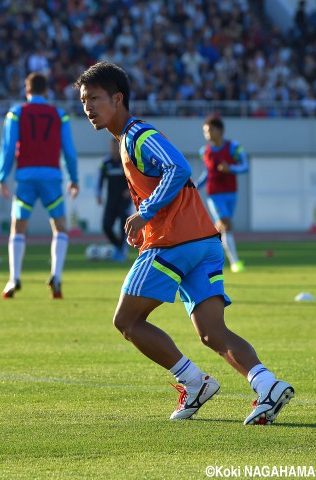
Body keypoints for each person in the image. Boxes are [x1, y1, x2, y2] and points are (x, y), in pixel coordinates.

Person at [74, 61, 293, 424]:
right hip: (204, 242)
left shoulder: (137, 135)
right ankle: (267, 385)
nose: (88, 108)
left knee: (127, 320)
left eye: (94, 98)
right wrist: (146, 222)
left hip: (175, 243)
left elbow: (178, 168)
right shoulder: (128, 139)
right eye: (83, 101)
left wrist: (147, 214)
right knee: (212, 333)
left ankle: (193, 382)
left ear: (117, 98)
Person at [0, 72, 79, 299]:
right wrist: (74, 178)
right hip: (52, 176)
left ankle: (14, 279)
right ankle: (57, 277)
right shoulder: (59, 115)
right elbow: (69, 151)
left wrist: (2, 176)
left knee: (18, 227)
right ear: (46, 91)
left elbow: (8, 146)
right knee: (60, 227)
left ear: (27, 90)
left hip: (25, 176)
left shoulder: (16, 113)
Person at [197, 115, 249, 273]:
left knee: (219, 229)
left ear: (219, 130)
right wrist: (194, 186)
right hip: (214, 193)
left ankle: (203, 257)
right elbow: (207, 173)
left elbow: (245, 166)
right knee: (226, 224)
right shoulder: (204, 151)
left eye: (210, 130)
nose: (207, 134)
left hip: (231, 192)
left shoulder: (234, 147)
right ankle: (235, 263)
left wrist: (231, 168)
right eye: (205, 132)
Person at [96, 137, 132, 261]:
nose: (113, 149)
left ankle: (121, 251)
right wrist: (98, 194)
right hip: (111, 201)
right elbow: (100, 180)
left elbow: (133, 179)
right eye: (111, 146)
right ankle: (118, 246)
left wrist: (130, 190)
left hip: (124, 201)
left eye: (116, 146)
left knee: (124, 226)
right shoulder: (105, 163)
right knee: (106, 226)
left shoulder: (126, 161)